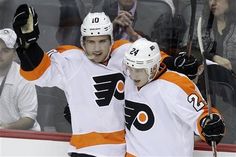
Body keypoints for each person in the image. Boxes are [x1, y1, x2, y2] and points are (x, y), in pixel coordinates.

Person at [13, 4, 131, 157]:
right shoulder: (72, 61)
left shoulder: (125, 55)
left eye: (102, 41)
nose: (97, 48)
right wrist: (28, 44)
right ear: (83, 42)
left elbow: (155, 67)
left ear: (111, 40)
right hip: (86, 150)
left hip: (124, 150)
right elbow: (38, 74)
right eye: (91, 42)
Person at [123, 38, 225, 156]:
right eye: (130, 68)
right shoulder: (128, 79)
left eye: (139, 70)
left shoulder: (176, 85)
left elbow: (202, 113)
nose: (133, 74)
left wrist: (209, 124)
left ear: (154, 67)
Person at [0, 28, 40, 131]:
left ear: (14, 54)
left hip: (24, 138)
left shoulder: (24, 77)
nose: (0, 54)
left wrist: (4, 128)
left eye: (5, 50)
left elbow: (28, 119)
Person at [202, 0, 236, 71]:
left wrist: (232, 65)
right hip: (207, 79)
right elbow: (192, 52)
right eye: (210, 0)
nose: (213, 3)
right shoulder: (202, 25)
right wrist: (213, 57)